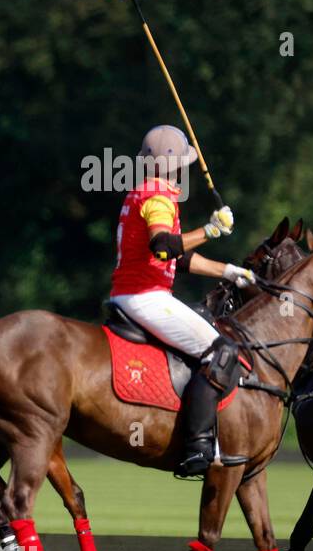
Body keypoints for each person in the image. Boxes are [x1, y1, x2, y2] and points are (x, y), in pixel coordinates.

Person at [109, 124, 256, 477]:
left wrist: (229, 271)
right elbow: (164, 246)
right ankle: (198, 447)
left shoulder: (144, 192)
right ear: (177, 166)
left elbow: (178, 258)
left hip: (134, 294)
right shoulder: (158, 198)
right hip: (145, 297)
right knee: (222, 351)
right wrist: (210, 231)